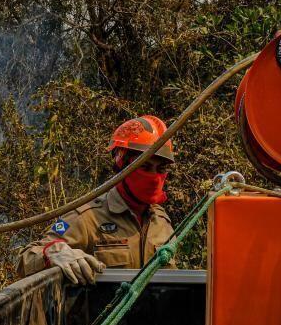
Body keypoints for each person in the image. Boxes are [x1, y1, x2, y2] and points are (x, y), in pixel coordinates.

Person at [16, 116, 175, 284]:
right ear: (122, 165)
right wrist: (53, 252)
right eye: (144, 166)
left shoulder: (161, 221)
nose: (154, 176)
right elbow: (26, 256)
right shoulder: (87, 217)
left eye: (161, 168)